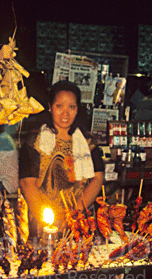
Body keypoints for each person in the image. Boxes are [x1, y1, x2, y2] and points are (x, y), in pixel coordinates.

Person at [19, 80, 105, 236]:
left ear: (78, 109)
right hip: (42, 221)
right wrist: (48, 221)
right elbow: (27, 183)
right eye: (59, 106)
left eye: (71, 107)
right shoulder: (34, 141)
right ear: (50, 107)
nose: (65, 113)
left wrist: (74, 214)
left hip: (79, 219)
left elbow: (97, 178)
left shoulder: (87, 141)